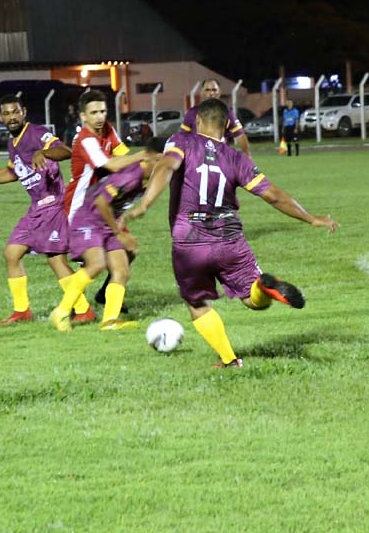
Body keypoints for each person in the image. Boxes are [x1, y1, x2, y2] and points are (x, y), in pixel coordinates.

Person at [122, 98, 338, 368]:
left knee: (196, 301)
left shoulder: (181, 142)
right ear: (225, 126)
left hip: (190, 241)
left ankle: (229, 359)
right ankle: (263, 287)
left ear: (197, 121)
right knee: (252, 299)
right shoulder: (236, 158)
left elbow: (166, 167)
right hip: (229, 238)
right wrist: (310, 218)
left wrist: (145, 203)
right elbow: (273, 195)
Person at [0, 95, 97, 325]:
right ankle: (22, 311)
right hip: (34, 210)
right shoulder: (14, 143)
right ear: (1, 117)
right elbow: (11, 173)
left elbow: (65, 151)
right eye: (7, 114)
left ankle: (84, 310)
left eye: (15, 112)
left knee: (55, 259)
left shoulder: (36, 133)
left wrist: (44, 152)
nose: (12, 117)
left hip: (53, 206)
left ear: (24, 112)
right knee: (12, 254)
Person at [49, 138, 165, 332]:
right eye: (161, 160)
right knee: (97, 264)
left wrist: (124, 220)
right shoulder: (130, 175)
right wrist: (119, 232)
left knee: (121, 269)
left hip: (108, 222)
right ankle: (61, 313)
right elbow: (102, 203)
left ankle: (109, 321)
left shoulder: (154, 177)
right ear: (149, 156)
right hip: (88, 219)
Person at [64, 89, 146, 321]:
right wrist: (144, 156)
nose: (100, 117)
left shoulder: (108, 129)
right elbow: (108, 165)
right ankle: (71, 306)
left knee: (128, 250)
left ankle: (106, 296)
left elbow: (123, 156)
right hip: (81, 207)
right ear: (83, 116)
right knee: (93, 261)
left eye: (103, 111)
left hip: (105, 205)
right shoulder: (86, 139)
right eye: (94, 112)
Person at [180, 78, 252, 158]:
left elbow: (240, 136)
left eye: (214, 90)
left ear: (219, 92)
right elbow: (182, 137)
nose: (211, 93)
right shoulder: (192, 113)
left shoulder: (227, 113)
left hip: (221, 159)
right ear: (202, 93)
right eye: (207, 90)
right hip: (197, 159)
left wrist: (248, 157)